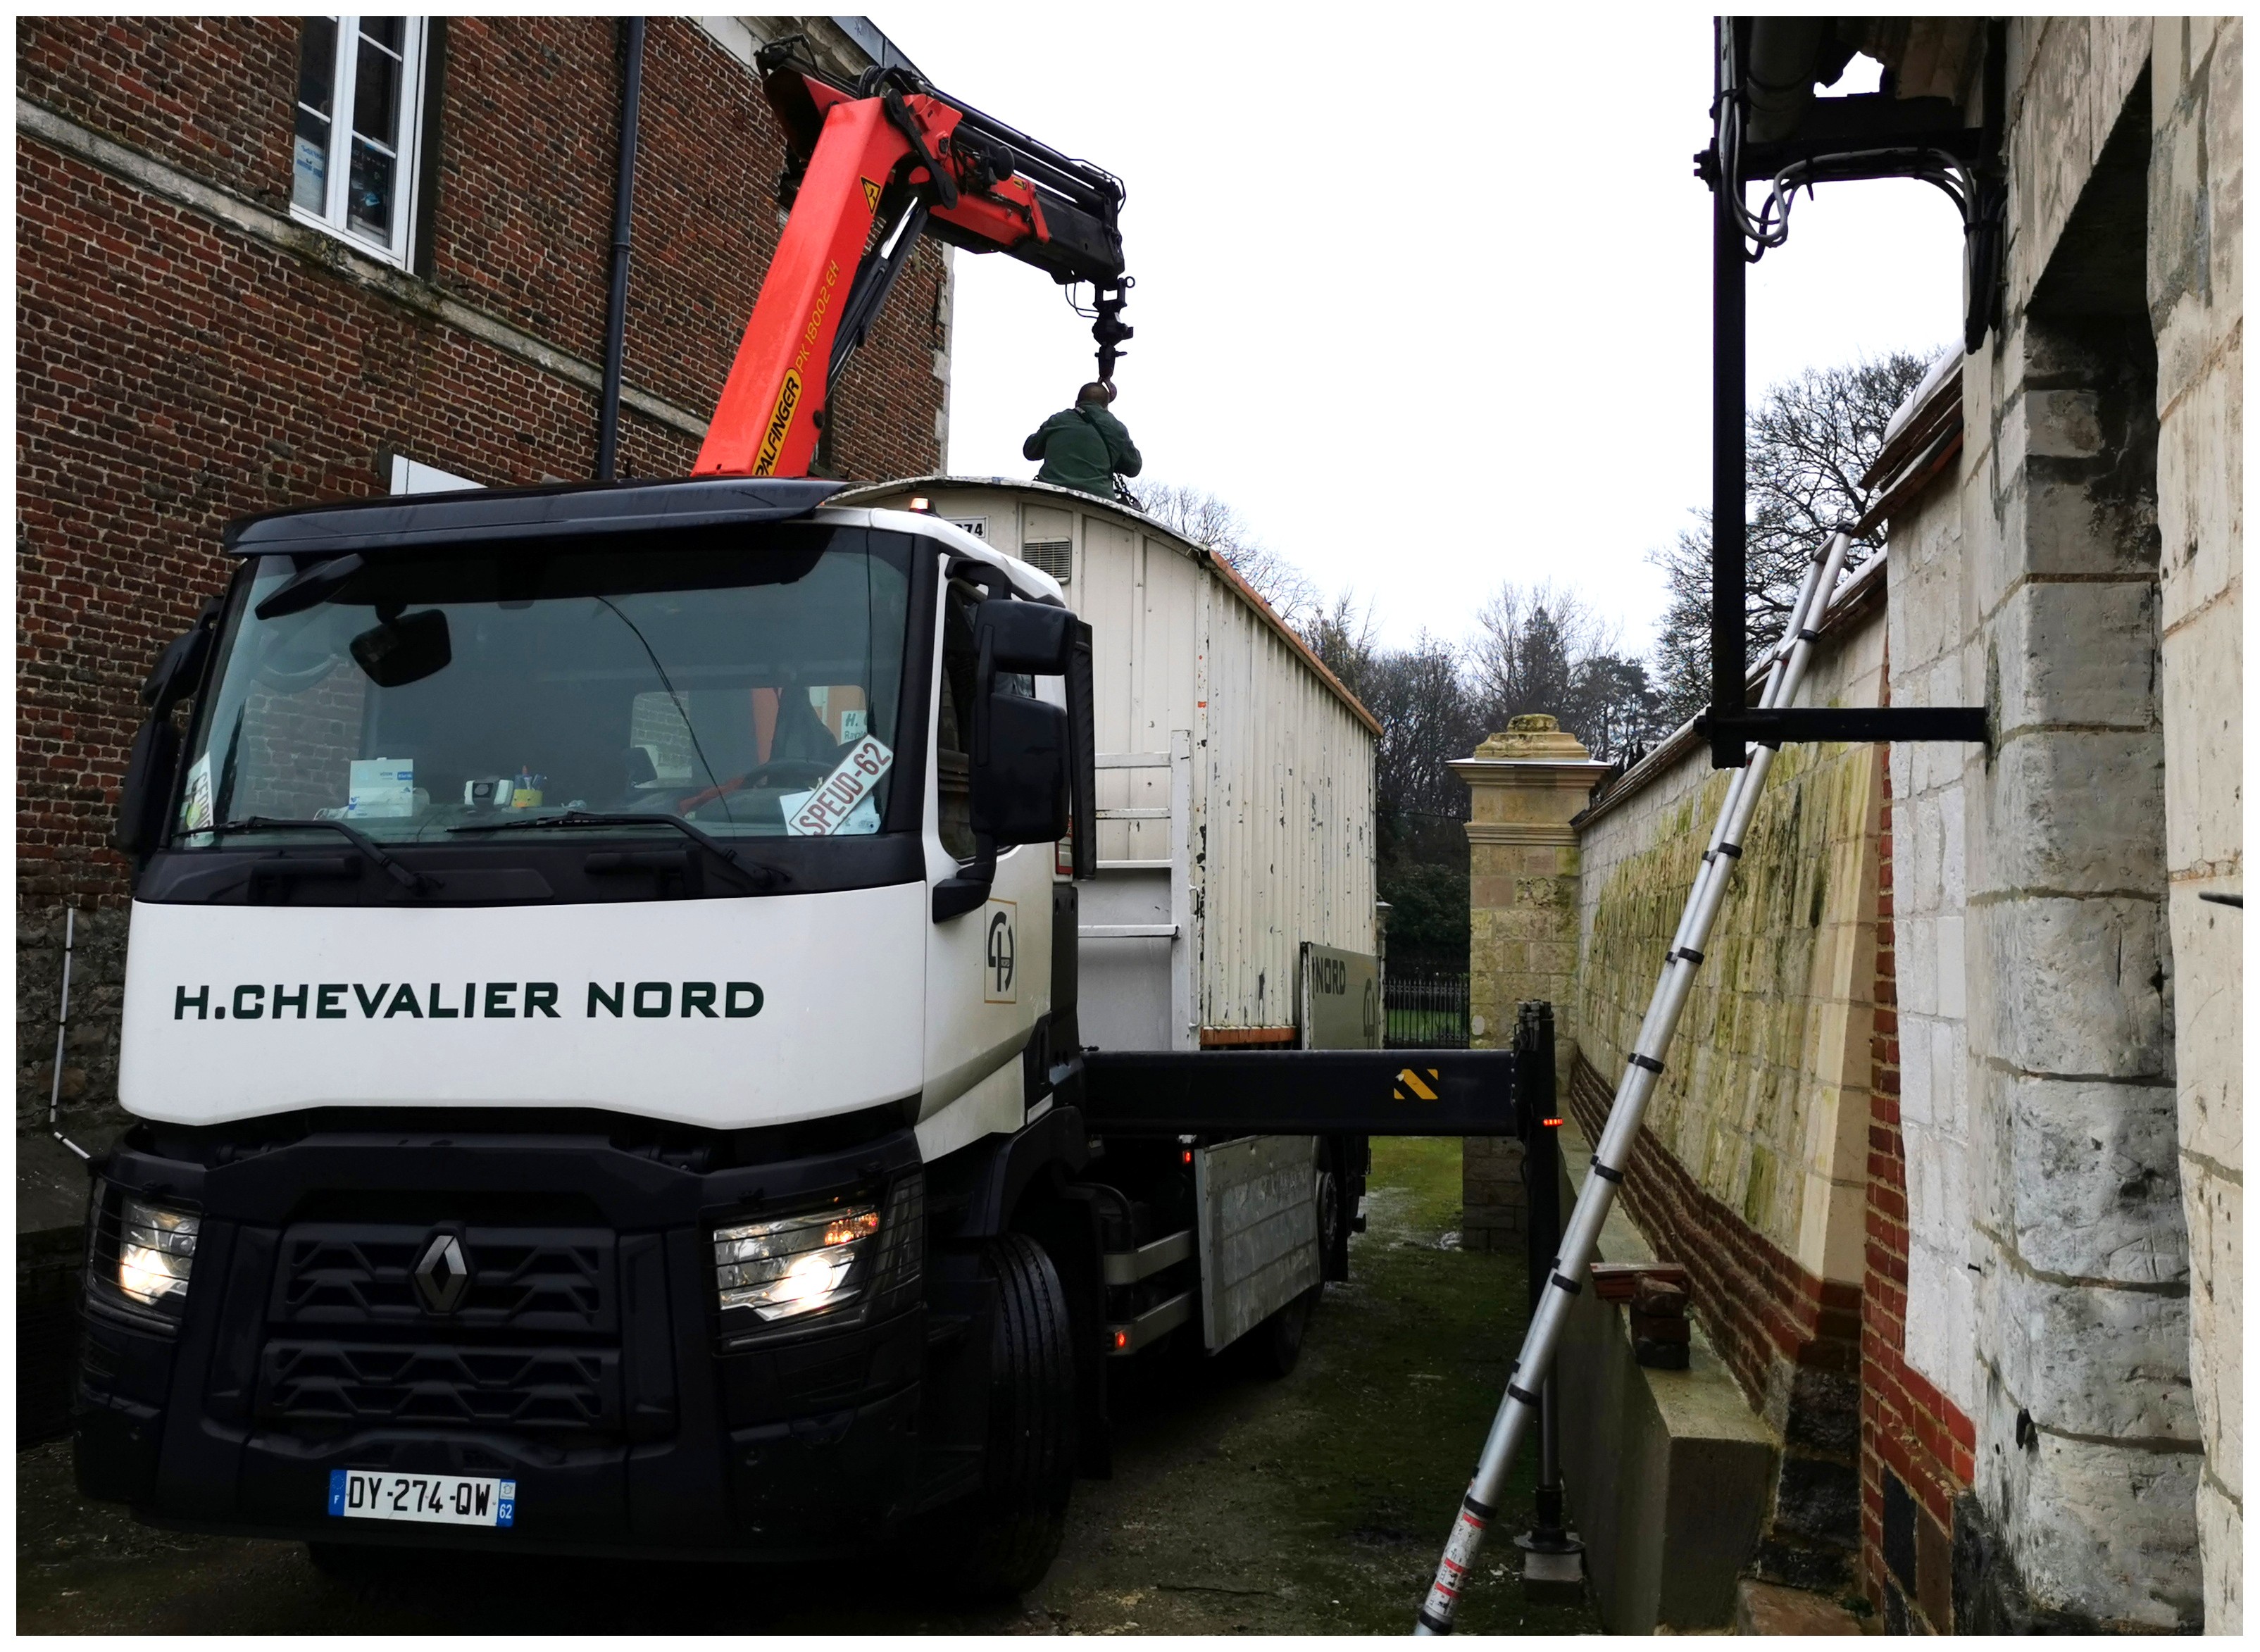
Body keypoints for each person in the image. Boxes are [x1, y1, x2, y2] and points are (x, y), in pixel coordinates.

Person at [1022, 382, 1142, 499]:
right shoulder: (1116, 428)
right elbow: (1134, 467)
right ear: (1106, 407)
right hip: (1099, 501)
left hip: (1050, 494)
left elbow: (1029, 451)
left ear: (1076, 404)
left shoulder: (1057, 420)